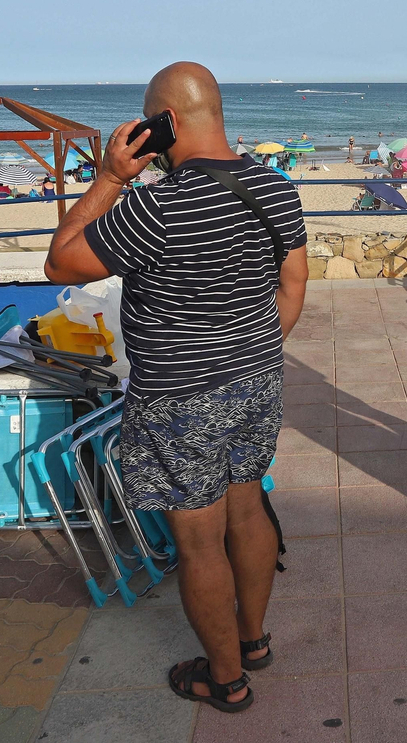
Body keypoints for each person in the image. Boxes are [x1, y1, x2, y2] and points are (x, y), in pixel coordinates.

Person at [45, 62, 309, 714]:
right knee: (246, 510)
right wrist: (250, 350)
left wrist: (110, 176)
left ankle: (226, 679)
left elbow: (61, 260)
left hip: (177, 399)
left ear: (163, 124)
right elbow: (294, 284)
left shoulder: (154, 205)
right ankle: (252, 642)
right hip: (257, 382)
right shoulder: (276, 189)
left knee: (199, 540)